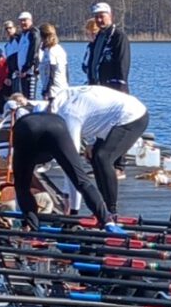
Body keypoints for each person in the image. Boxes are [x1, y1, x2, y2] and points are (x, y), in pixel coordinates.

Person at [0, 99, 110, 229]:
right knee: (82, 181)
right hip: (57, 125)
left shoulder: (16, 125)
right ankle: (106, 220)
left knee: (22, 186)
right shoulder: (41, 109)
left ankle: (32, 225)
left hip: (27, 129)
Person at [53, 81, 151, 216]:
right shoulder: (63, 96)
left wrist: (72, 208)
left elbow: (72, 163)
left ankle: (111, 212)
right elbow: (91, 112)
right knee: (95, 157)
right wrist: (91, 142)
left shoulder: (69, 115)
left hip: (134, 117)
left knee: (103, 158)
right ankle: (103, 208)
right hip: (112, 116)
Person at [83, 2, 131, 91]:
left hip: (113, 89)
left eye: (102, 16)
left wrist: (120, 87)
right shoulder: (98, 37)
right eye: (96, 17)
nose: (99, 20)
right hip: (96, 88)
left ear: (110, 16)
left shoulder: (118, 36)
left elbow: (123, 64)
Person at [38, 20, 68, 102]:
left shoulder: (52, 51)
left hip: (54, 91)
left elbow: (51, 73)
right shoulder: (55, 49)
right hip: (60, 88)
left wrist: (46, 91)